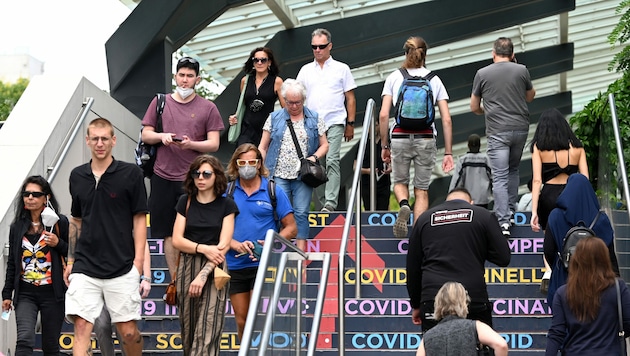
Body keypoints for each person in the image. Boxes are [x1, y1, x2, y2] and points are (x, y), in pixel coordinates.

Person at [65, 118, 148, 356]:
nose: (99, 143)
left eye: (104, 138)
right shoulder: (77, 176)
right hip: (85, 265)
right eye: (95, 138)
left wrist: (138, 263)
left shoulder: (131, 173)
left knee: (128, 332)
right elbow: (76, 221)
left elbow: (139, 218)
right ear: (87, 141)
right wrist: (71, 262)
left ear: (113, 140)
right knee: (81, 326)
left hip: (121, 265)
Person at [141, 56, 224, 283]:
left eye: (189, 76)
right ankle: (177, 281)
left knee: (198, 228)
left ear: (197, 79)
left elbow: (214, 143)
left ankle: (199, 276)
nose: (185, 80)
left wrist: (191, 144)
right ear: (175, 76)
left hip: (195, 178)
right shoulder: (161, 102)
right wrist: (162, 137)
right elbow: (145, 134)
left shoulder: (208, 107)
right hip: (162, 175)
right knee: (168, 232)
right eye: (181, 75)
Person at [379, 36, 454, 238]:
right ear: (425, 55)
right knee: (421, 189)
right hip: (426, 137)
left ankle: (404, 205)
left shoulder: (395, 77)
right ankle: (419, 235)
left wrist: (384, 146)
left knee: (400, 182)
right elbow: (446, 119)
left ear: (405, 53)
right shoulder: (434, 79)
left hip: (400, 137)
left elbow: (384, 114)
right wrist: (448, 152)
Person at [407, 188, 510, 331]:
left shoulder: (424, 218)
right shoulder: (483, 215)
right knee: (479, 348)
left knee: (434, 348)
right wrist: (478, 247)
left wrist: (416, 304)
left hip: (433, 296)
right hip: (472, 295)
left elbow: (413, 266)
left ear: (445, 202)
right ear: (471, 203)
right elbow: (503, 258)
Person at [225, 143, 297, 341]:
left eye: (251, 161)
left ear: (259, 164)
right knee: (241, 320)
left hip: (263, 263)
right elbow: (215, 227)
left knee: (258, 317)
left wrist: (271, 242)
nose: (247, 166)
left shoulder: (273, 190)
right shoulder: (227, 191)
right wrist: (232, 243)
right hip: (234, 263)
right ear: (236, 164)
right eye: (242, 162)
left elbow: (291, 227)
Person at [171, 154, 238, 355]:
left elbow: (224, 245)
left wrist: (202, 275)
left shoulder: (227, 205)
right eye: (196, 173)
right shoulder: (185, 201)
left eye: (206, 174)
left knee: (208, 329)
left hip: (214, 269)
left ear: (216, 176)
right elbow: (177, 240)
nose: (200, 178)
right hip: (187, 265)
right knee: (189, 331)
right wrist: (203, 248)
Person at [470, 36, 536, 236]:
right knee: (513, 170)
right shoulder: (522, 70)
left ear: (493, 53)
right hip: (520, 128)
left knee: (499, 176)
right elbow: (530, 96)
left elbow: (474, 107)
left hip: (498, 130)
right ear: (513, 54)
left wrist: (486, 111)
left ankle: (503, 221)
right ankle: (513, 211)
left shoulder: (482, 73)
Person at [259, 79, 329, 252]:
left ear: (303, 100)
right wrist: (261, 168)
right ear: (284, 100)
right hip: (278, 172)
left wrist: (313, 157)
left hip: (303, 175)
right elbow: (263, 146)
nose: (294, 106)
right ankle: (275, 249)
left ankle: (300, 250)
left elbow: (325, 144)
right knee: (278, 212)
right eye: (290, 102)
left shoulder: (314, 117)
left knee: (301, 212)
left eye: (297, 102)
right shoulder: (274, 118)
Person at [2, 175, 69, 356]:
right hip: (25, 293)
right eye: (26, 194)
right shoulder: (17, 227)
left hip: (53, 293)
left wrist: (58, 243)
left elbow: (72, 254)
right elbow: (13, 264)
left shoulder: (59, 223)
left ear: (46, 198)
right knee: (24, 340)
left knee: (50, 346)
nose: (30, 198)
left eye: (35, 194)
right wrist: (7, 294)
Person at [296, 28, 357, 212]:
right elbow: (298, 96)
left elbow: (350, 98)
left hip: (335, 121)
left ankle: (330, 203)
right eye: (314, 46)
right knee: (315, 164)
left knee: (332, 160)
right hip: (312, 124)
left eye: (321, 46)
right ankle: (323, 203)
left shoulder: (342, 68)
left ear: (330, 46)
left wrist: (351, 124)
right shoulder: (305, 70)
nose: (317, 50)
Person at [543, 173, 620, 307]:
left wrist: (562, 263)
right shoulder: (601, 220)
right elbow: (610, 254)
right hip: (596, 284)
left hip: (564, 281)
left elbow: (548, 250)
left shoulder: (555, 216)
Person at [545, 237, 630, 355]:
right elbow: (628, 322)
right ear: (605, 259)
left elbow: (556, 333)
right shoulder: (618, 287)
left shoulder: (563, 293)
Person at [530, 108, 588, 232]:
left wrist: (534, 211)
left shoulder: (539, 147)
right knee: (574, 235)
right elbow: (585, 180)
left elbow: (537, 181)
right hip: (572, 194)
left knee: (550, 239)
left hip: (549, 196)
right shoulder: (578, 147)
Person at [416, 282, 509, 356]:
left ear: (438, 303)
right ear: (465, 302)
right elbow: (501, 345)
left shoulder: (428, 337)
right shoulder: (475, 327)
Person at [93, 243, 152, 356]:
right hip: (97, 277)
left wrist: (147, 277)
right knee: (101, 327)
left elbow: (143, 243)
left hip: (124, 278)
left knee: (126, 331)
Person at [228, 47, 285, 147]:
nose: (259, 63)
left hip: (266, 130)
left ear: (269, 62)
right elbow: (243, 106)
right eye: (256, 60)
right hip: (246, 130)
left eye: (263, 60)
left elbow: (285, 108)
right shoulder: (245, 81)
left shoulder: (277, 81)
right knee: (243, 159)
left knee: (262, 160)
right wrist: (235, 117)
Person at [448, 134, 492, 209]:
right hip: (483, 199)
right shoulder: (486, 159)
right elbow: (494, 178)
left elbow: (456, 181)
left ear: (468, 145)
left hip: (467, 198)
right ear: (480, 145)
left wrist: (450, 196)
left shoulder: (463, 160)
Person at [357, 119, 392, 211]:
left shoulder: (387, 143)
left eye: (376, 125)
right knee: (369, 210)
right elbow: (355, 167)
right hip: (367, 184)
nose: (373, 128)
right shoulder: (363, 144)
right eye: (370, 126)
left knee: (383, 209)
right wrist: (368, 171)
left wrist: (390, 168)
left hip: (383, 183)